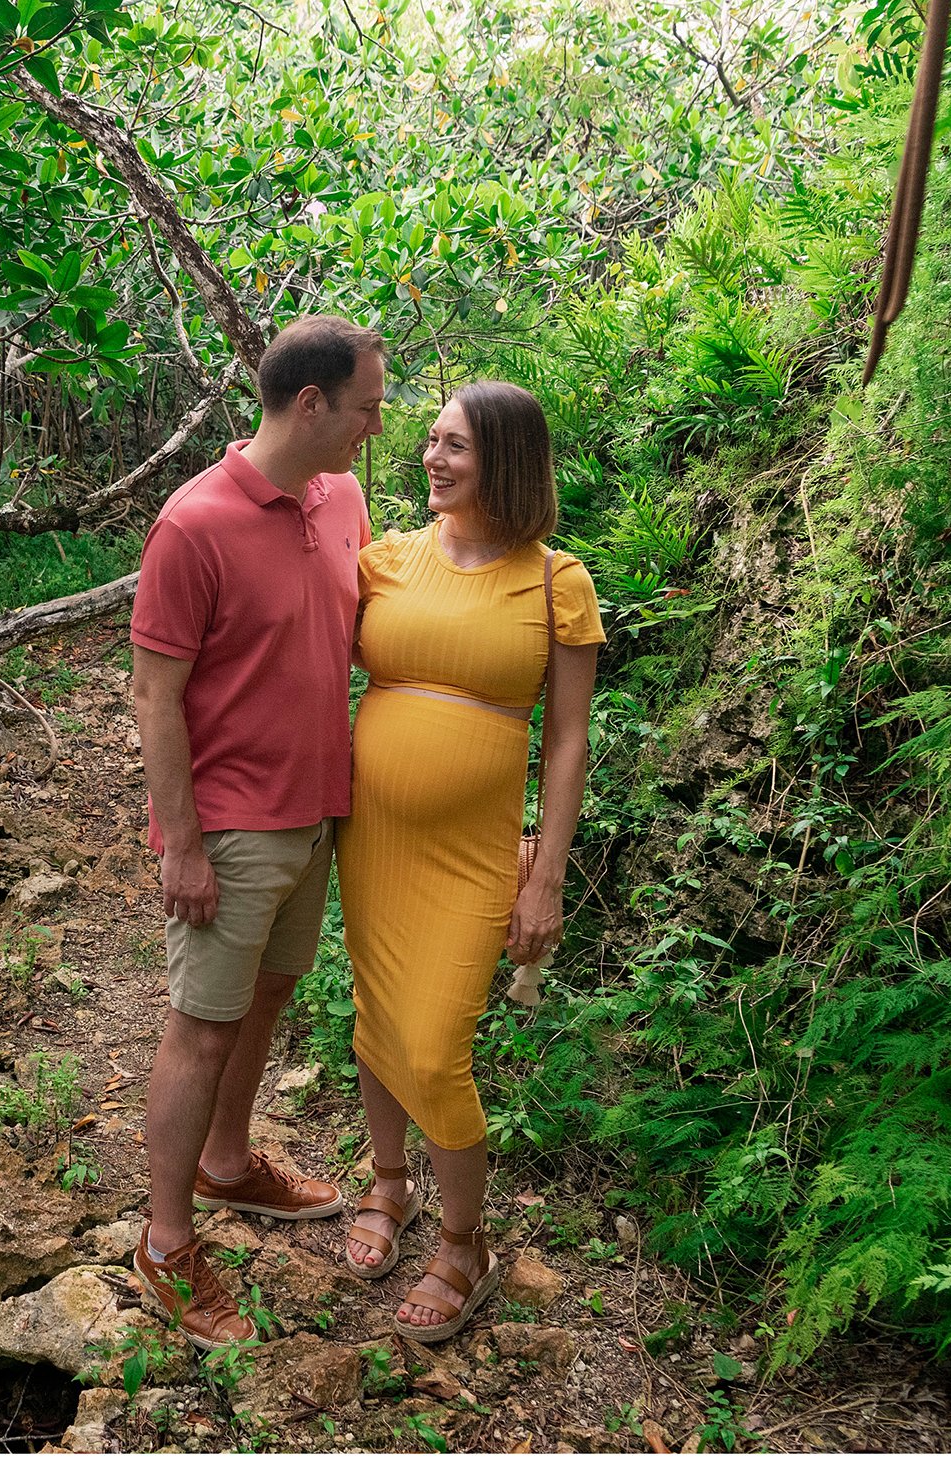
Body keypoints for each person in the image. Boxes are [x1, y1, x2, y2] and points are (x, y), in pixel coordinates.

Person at [126, 315, 385, 1348]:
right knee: (201, 1025)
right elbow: (153, 695)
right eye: (366, 404)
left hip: (317, 812)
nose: (377, 424)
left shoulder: (342, 498)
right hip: (231, 828)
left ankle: (227, 1163)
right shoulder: (192, 524)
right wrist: (180, 844)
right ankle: (163, 1241)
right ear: (310, 403)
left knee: (266, 996)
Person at [335, 380, 602, 1343]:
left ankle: (464, 1243)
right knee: (379, 1017)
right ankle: (388, 1184)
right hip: (372, 838)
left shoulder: (554, 583)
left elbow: (567, 740)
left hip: (474, 851)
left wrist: (547, 874)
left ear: (507, 461)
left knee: (438, 1044)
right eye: (430, 441)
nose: (431, 459)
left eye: (454, 446)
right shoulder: (386, 561)